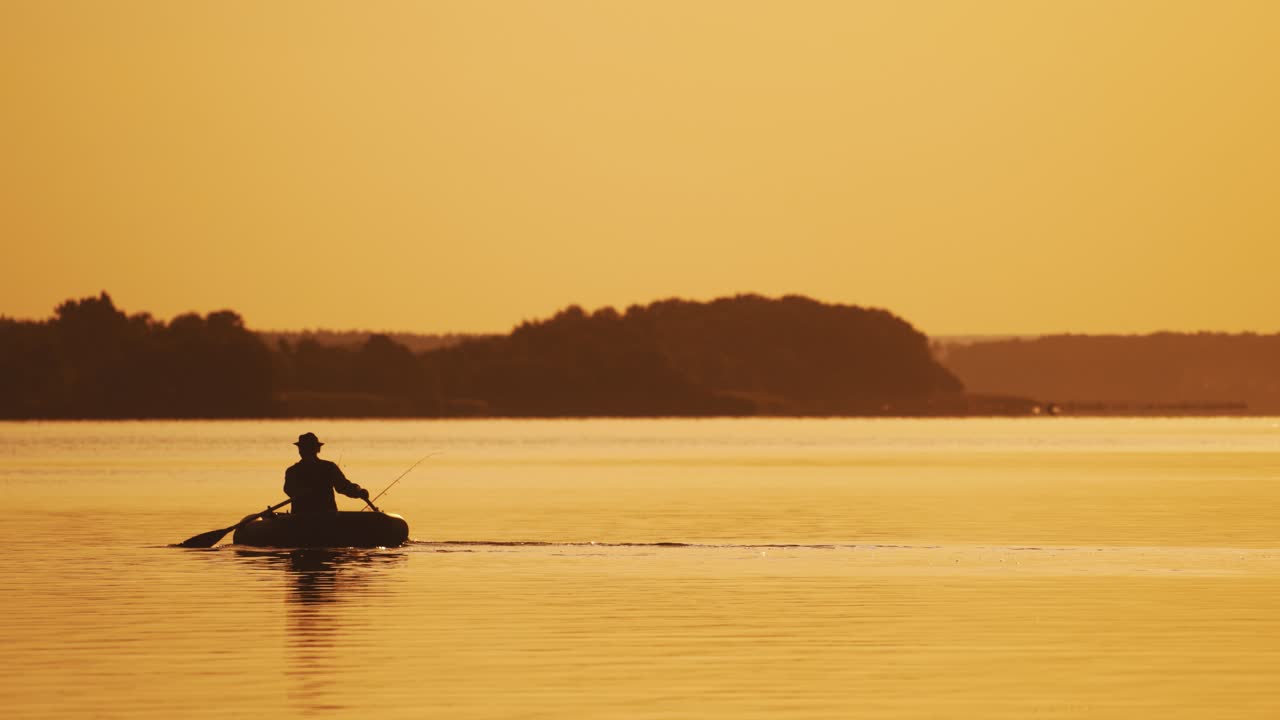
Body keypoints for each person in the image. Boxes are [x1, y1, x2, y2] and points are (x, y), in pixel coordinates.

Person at [283, 432, 370, 513]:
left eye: (304, 448)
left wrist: (357, 491)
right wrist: (358, 491)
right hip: (327, 517)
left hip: (302, 518)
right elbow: (343, 486)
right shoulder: (329, 467)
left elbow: (289, 490)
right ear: (318, 449)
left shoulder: (292, 471)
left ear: (300, 450)